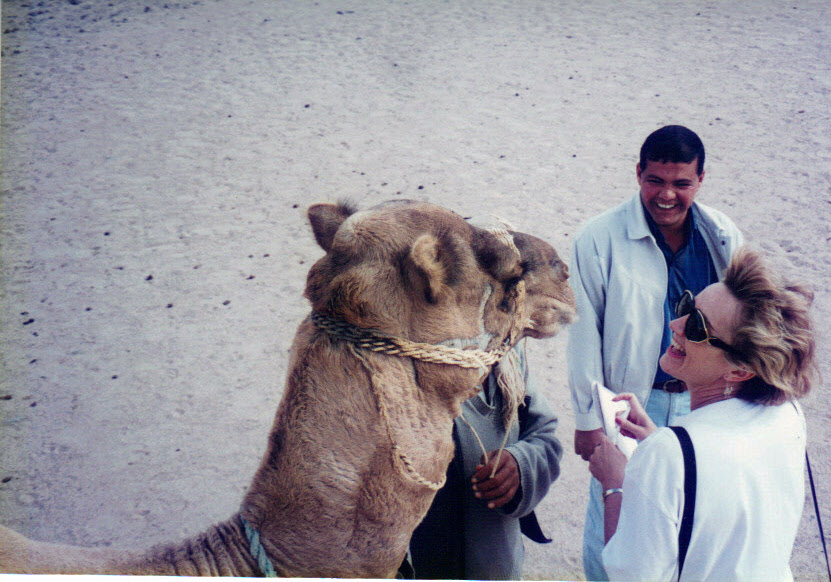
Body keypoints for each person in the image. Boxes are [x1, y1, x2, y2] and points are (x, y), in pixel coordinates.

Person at [566, 125, 744, 580]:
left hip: (706, 404)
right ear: (638, 173)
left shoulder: (722, 235)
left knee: (691, 518)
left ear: (700, 179)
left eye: (681, 183)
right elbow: (584, 334)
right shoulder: (597, 238)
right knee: (613, 523)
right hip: (626, 405)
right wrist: (588, 420)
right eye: (655, 181)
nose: (666, 195)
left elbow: (747, 324)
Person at [588, 247, 816, 581]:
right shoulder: (788, 415)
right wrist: (661, 445)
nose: (675, 323)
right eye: (686, 306)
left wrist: (617, 483)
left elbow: (632, 576)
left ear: (740, 370)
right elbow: (725, 493)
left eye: (697, 327)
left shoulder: (669, 454)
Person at [405, 340, 563, 580]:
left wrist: (520, 465)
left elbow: (543, 435)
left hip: (495, 565)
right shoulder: (389, 348)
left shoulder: (505, 346)